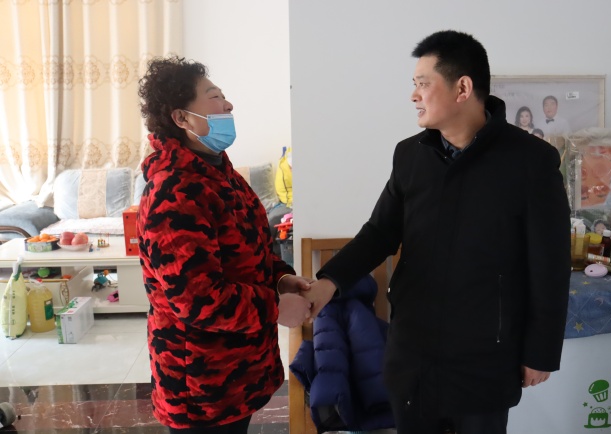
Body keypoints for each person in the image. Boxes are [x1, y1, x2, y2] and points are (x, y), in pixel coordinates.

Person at [304, 30, 571, 434]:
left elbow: (549, 264)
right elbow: (379, 232)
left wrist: (541, 351)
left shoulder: (531, 161)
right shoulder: (410, 154)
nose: (414, 95)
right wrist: (328, 283)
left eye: (423, 84)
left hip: (485, 357)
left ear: (462, 88)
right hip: (413, 353)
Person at [136, 56, 312, 434]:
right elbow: (197, 299)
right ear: (182, 118)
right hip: (200, 384)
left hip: (235, 373)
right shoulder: (175, 192)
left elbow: (250, 251)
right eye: (214, 97)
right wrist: (276, 306)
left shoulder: (219, 172)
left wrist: (281, 279)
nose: (228, 105)